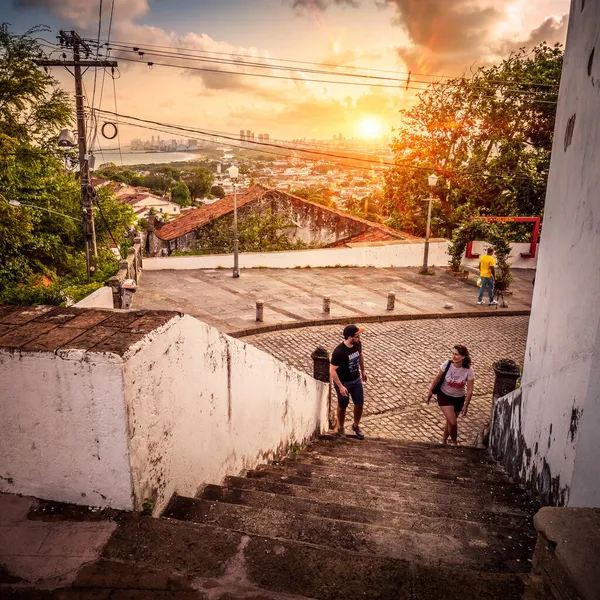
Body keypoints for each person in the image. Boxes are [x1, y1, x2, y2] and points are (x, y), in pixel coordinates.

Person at [426, 345, 474, 445]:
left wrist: (466, 405)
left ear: (463, 357)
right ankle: (454, 442)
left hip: (459, 399)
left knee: (450, 421)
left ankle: (443, 441)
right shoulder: (447, 364)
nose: (453, 356)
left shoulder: (469, 370)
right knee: (453, 422)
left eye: (456, 354)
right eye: (453, 354)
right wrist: (430, 391)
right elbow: (437, 378)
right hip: (444, 396)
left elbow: (469, 390)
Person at [330, 324, 367, 440]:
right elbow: (332, 370)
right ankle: (341, 426)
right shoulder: (339, 352)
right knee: (342, 406)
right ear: (350, 337)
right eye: (357, 336)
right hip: (343, 382)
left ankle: (355, 426)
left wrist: (363, 371)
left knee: (359, 403)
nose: (359, 338)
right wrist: (340, 386)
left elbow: (360, 356)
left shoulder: (357, 344)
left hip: (356, 380)